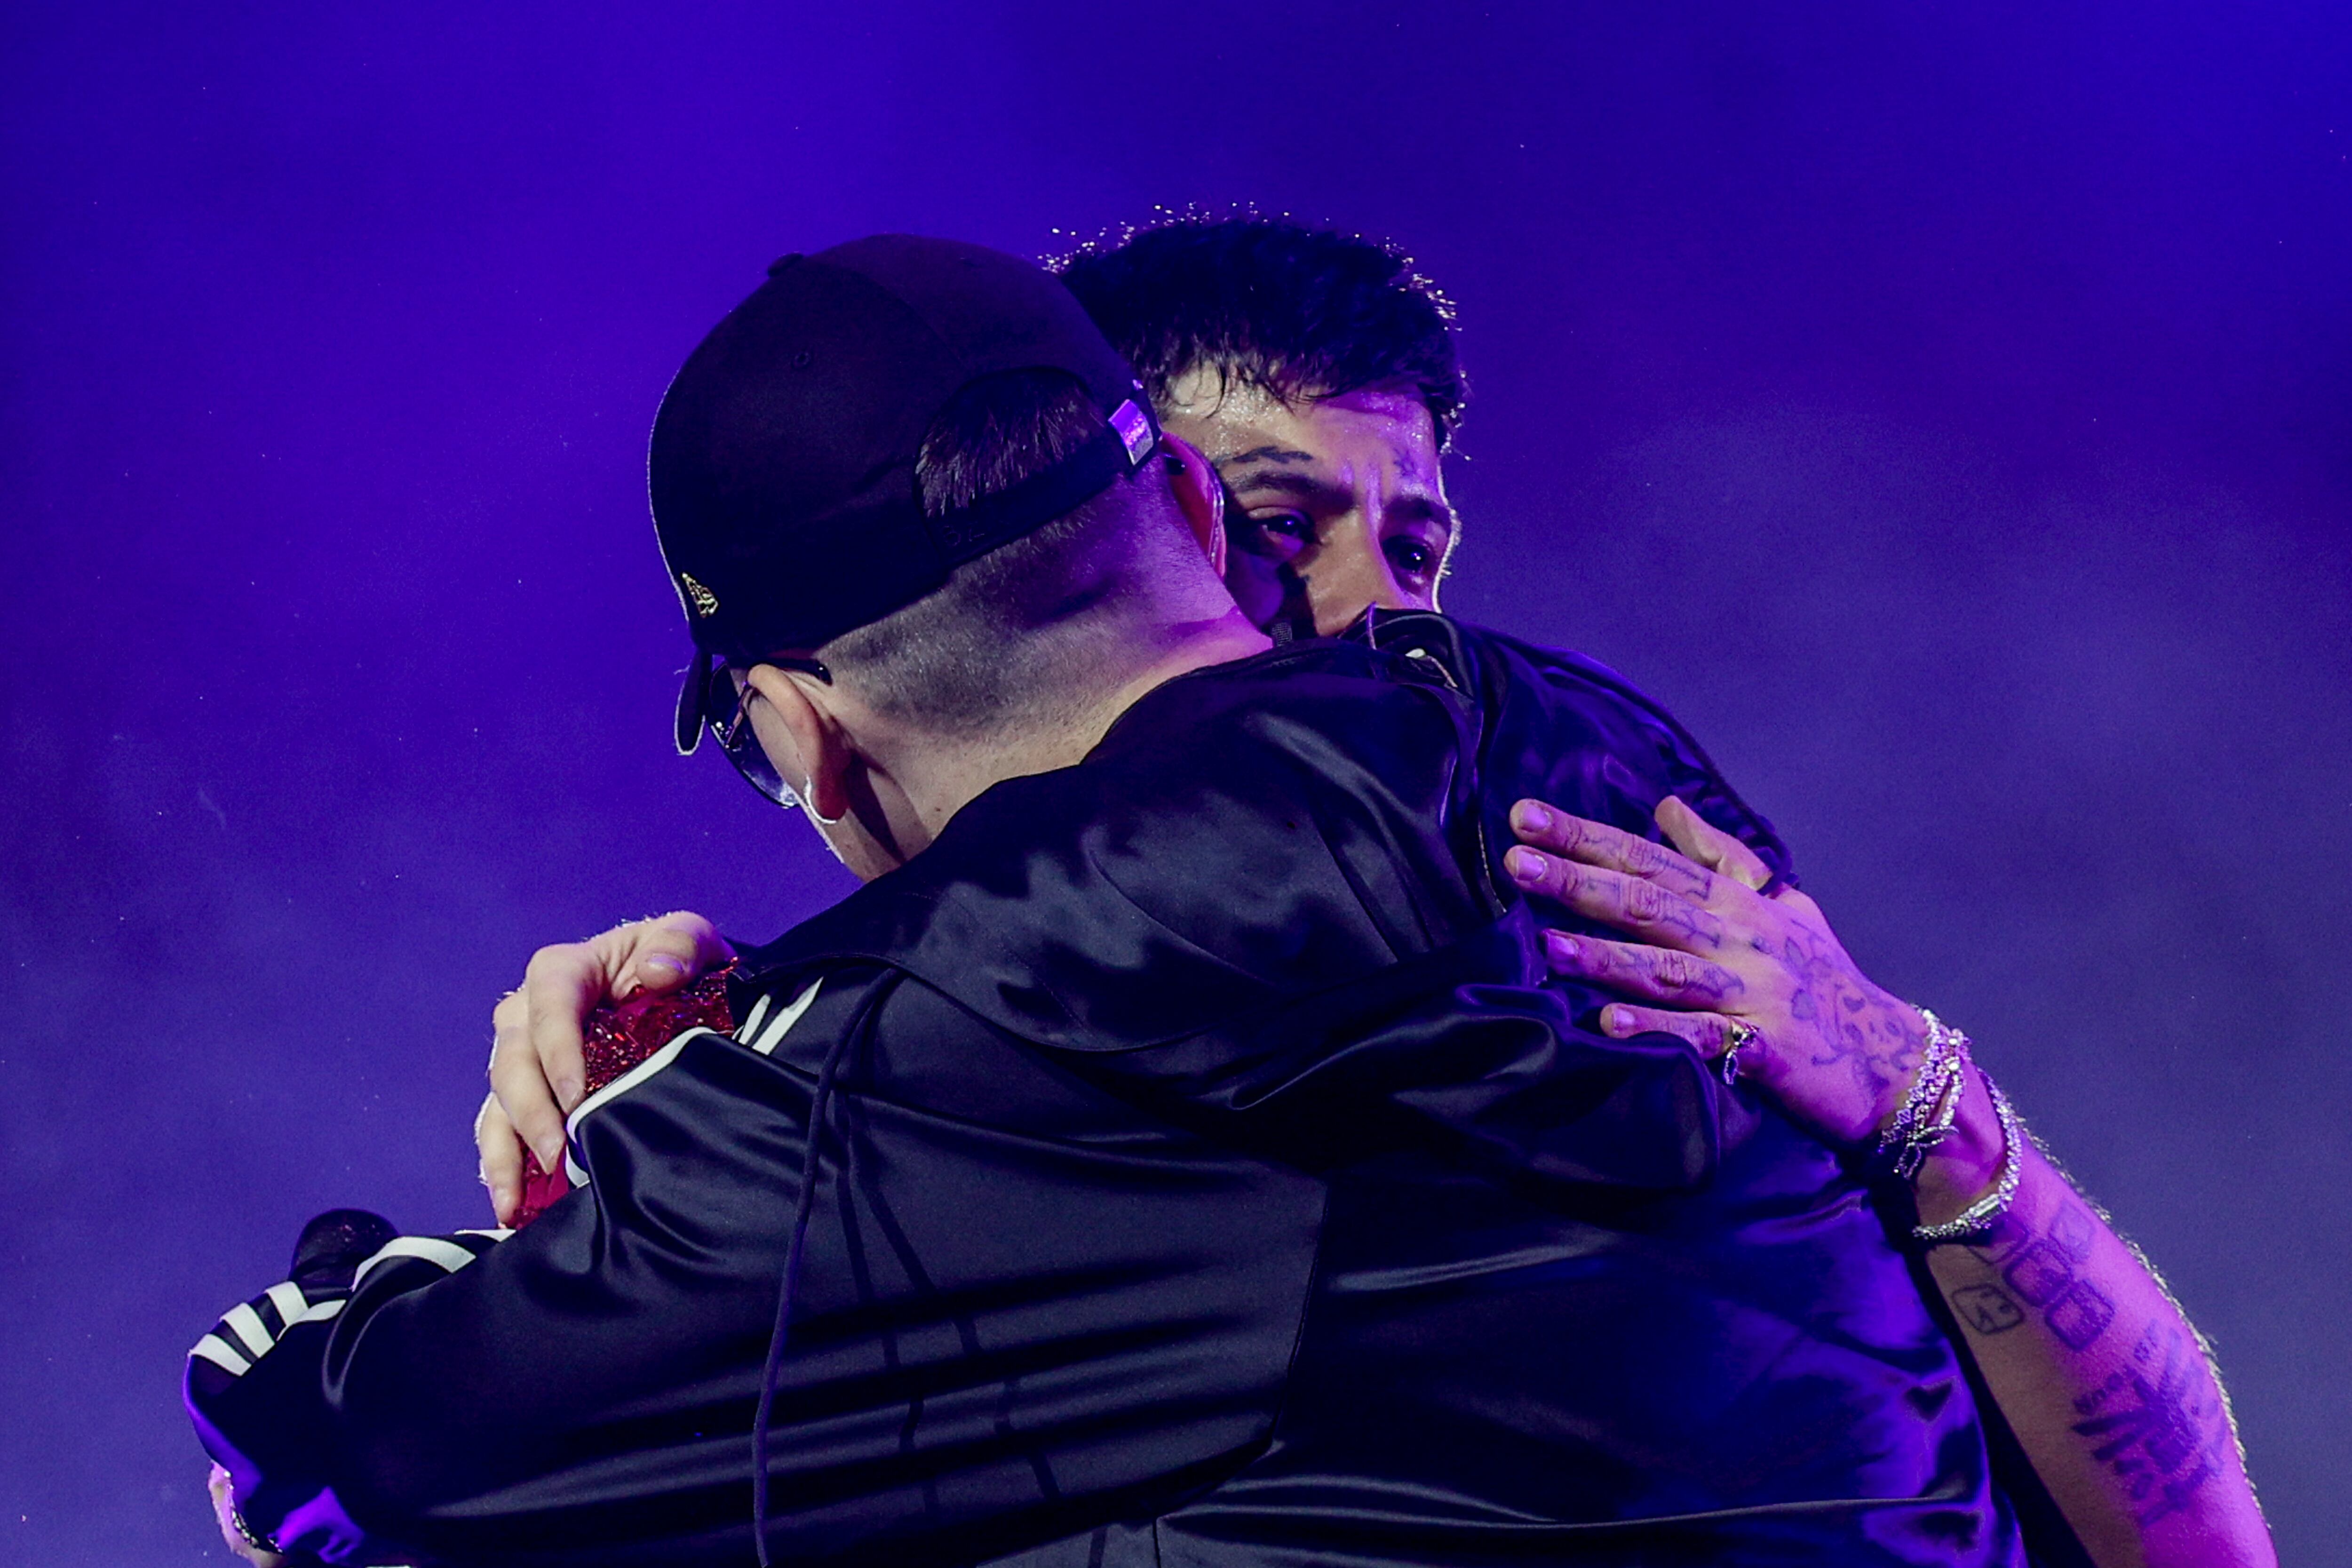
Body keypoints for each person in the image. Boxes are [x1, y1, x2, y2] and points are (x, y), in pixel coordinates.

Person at [188, 237, 2264, 1567]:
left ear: (802, 735)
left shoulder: (1609, 909)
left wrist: (1920, 1099)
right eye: (1283, 531)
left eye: (1412, 546)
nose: (1350, 618)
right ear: (1176, 514)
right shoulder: (1595, 812)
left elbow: (389, 1446)